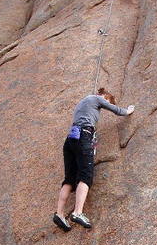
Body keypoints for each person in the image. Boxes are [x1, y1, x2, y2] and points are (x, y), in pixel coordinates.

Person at [53, 88, 135, 231]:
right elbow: (115, 109)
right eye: (107, 100)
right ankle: (77, 212)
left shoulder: (82, 103)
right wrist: (127, 111)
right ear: (103, 96)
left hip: (71, 139)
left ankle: (59, 214)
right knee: (85, 176)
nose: (105, 104)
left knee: (69, 179)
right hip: (84, 135)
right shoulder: (97, 98)